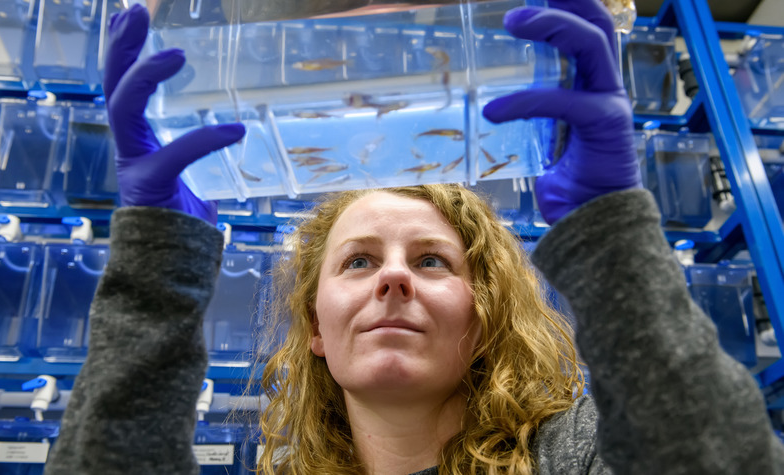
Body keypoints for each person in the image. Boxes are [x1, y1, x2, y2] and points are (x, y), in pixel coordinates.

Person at [44, 0, 784, 474]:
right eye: (358, 260)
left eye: (431, 260)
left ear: (483, 314)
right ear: (315, 330)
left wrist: (610, 229)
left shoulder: (577, 455)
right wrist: (156, 253)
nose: (391, 278)